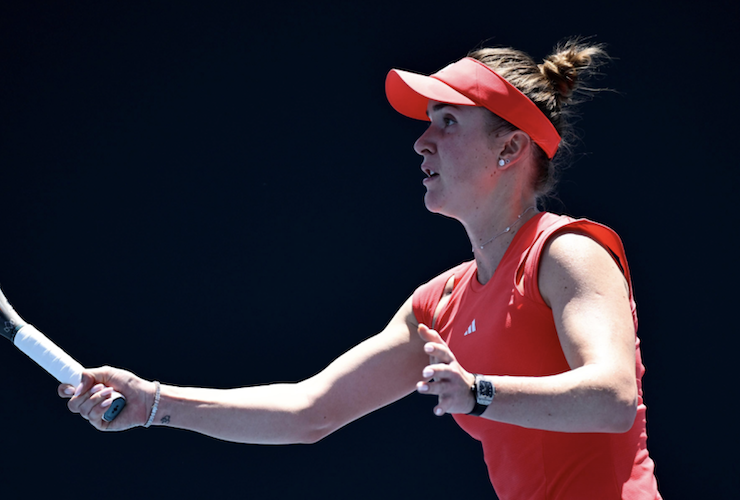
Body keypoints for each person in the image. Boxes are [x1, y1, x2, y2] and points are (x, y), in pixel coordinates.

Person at [58, 39, 661, 499]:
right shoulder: (437, 305)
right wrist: (155, 404)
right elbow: (309, 411)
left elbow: (611, 399)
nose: (421, 142)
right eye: (429, 121)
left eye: (447, 121)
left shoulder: (568, 253)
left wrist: (478, 393)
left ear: (510, 149)